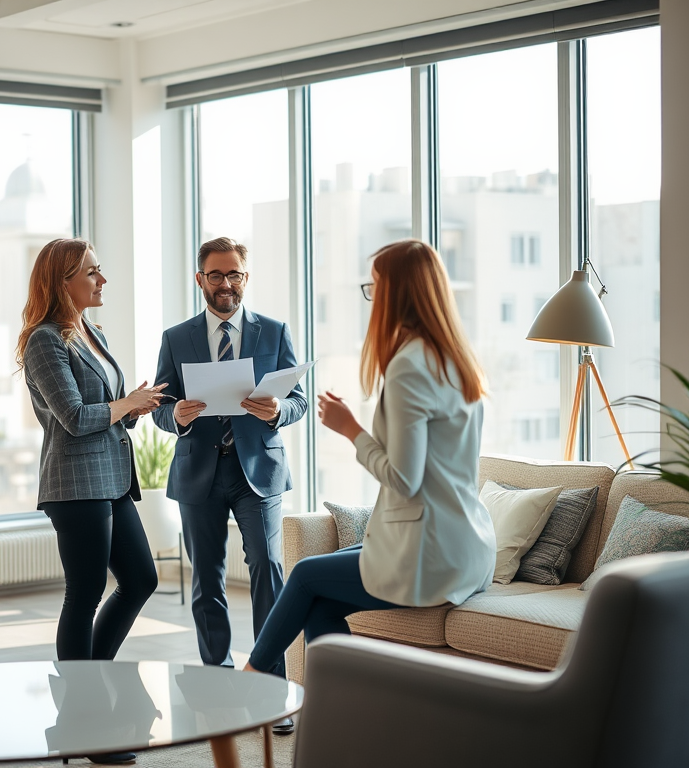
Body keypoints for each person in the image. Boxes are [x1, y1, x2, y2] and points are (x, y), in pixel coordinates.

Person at [244, 239, 497, 675]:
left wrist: (351, 430)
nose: (372, 296)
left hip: (431, 556)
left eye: (375, 286)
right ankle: (346, 706)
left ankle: (250, 681)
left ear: (398, 292)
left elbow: (404, 479)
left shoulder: (410, 366)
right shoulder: (456, 358)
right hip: (468, 547)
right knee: (320, 604)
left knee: (304, 575)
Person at [17, 239, 164, 765]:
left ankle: (81, 695)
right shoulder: (44, 341)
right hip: (75, 485)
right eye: (92, 272)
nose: (102, 281)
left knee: (142, 579)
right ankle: (86, 721)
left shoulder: (92, 332)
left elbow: (106, 411)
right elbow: (76, 417)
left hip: (112, 477)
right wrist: (125, 403)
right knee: (85, 593)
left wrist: (134, 407)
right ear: (63, 282)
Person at [152, 237, 307, 733]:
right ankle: (217, 681)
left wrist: (281, 410)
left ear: (246, 277)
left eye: (234, 274)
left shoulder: (274, 331)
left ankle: (270, 686)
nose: (226, 284)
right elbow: (159, 404)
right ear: (200, 279)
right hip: (200, 470)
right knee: (208, 581)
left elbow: (299, 398)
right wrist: (172, 414)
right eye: (216, 275)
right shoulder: (177, 337)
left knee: (268, 569)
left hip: (257, 472)